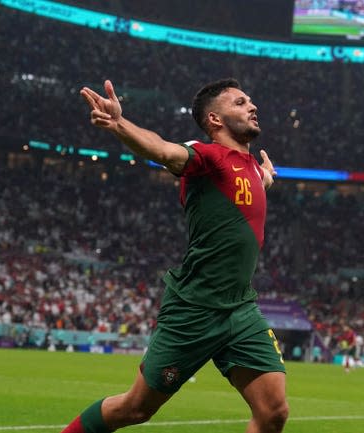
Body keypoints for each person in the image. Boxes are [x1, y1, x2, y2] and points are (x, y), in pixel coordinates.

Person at [60, 78, 288, 433]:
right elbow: (163, 151)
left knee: (273, 413)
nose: (252, 106)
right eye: (241, 103)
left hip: (240, 308)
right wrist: (119, 123)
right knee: (134, 409)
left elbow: (255, 183)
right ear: (215, 119)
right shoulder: (208, 156)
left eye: (250, 101)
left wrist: (266, 178)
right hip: (194, 307)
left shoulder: (253, 169)